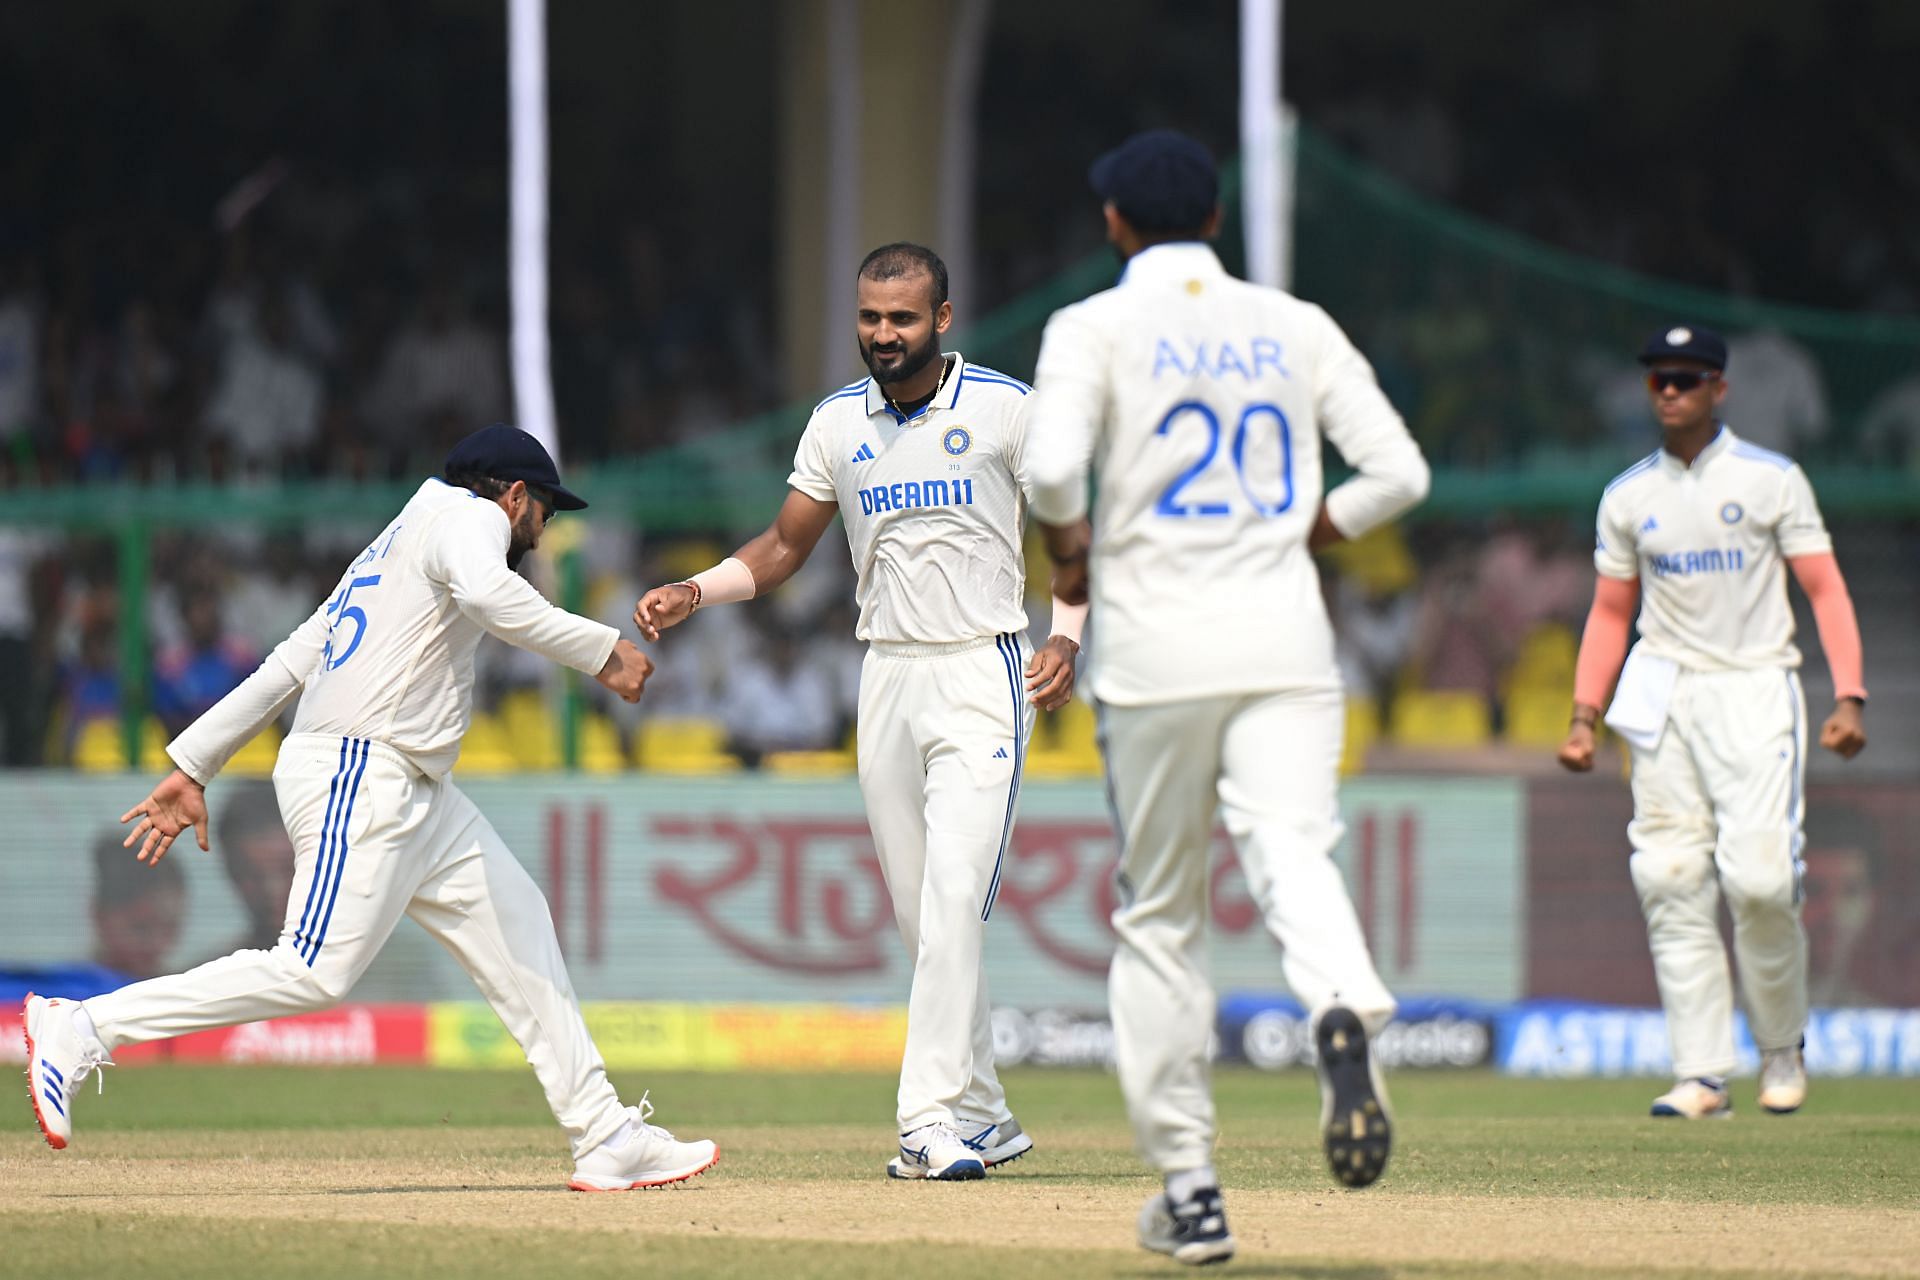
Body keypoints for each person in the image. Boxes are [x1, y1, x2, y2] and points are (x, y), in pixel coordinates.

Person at [25, 424, 718, 1192]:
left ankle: (605, 1133)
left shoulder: (396, 541)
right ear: (516, 495)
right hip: (362, 769)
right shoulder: (469, 518)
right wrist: (603, 651)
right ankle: (83, 1026)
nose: (542, 530)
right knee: (313, 971)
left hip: (414, 786)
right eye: (545, 513)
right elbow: (491, 596)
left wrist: (195, 761)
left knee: (520, 917)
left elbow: (295, 655)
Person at [1024, 130, 1430, 1264]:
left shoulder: (1092, 325)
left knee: (1161, 914)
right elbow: (1402, 472)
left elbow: (1054, 473)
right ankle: (1343, 1005)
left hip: (1156, 647)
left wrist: (1069, 547)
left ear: (1114, 224)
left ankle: (1192, 1187)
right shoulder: (1293, 325)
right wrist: (1313, 524)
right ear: (1215, 219)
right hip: (1286, 636)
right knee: (1295, 849)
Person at [635, 243, 1087, 1182]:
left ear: (944, 320)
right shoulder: (838, 423)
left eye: (903, 318)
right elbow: (783, 545)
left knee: (958, 897)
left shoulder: (1005, 409)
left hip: (983, 670)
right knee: (926, 917)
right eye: (871, 318)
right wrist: (695, 590)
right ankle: (988, 1115)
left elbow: (1071, 532)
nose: (884, 335)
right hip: (884, 675)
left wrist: (1068, 633)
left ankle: (925, 1120)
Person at [1556, 324, 1868, 1120]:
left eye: (1687, 379)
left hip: (1754, 684)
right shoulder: (1628, 495)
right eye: (1659, 378)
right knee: (1668, 877)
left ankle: (1780, 1051)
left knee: (1761, 882)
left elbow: (1825, 590)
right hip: (1662, 690)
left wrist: (1850, 696)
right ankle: (1702, 1074)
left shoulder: (1772, 480)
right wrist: (1584, 714)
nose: (1670, 391)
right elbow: (1610, 611)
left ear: (1719, 389)